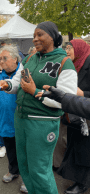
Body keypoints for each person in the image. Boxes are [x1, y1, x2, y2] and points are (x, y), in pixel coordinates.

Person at [0, 21, 77, 194]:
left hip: (42, 123)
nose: (35, 39)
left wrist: (35, 92)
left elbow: (67, 100)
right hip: (21, 119)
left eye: (40, 35)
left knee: (40, 171)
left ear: (53, 36)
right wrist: (8, 84)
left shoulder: (64, 63)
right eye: (34, 36)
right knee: (25, 167)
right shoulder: (31, 58)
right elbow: (19, 80)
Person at [0, 45, 28, 193]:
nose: (1, 62)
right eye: (0, 59)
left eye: (5, 58)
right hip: (4, 120)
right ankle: (13, 171)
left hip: (21, 120)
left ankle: (26, 177)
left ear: (15, 58)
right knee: (10, 148)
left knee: (23, 150)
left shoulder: (25, 75)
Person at [54, 39, 90, 194]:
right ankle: (74, 177)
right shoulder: (75, 64)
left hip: (86, 116)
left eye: (70, 48)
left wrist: (82, 94)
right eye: (66, 48)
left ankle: (82, 184)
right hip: (74, 113)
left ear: (80, 49)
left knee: (84, 149)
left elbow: (81, 91)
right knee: (74, 145)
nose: (67, 51)